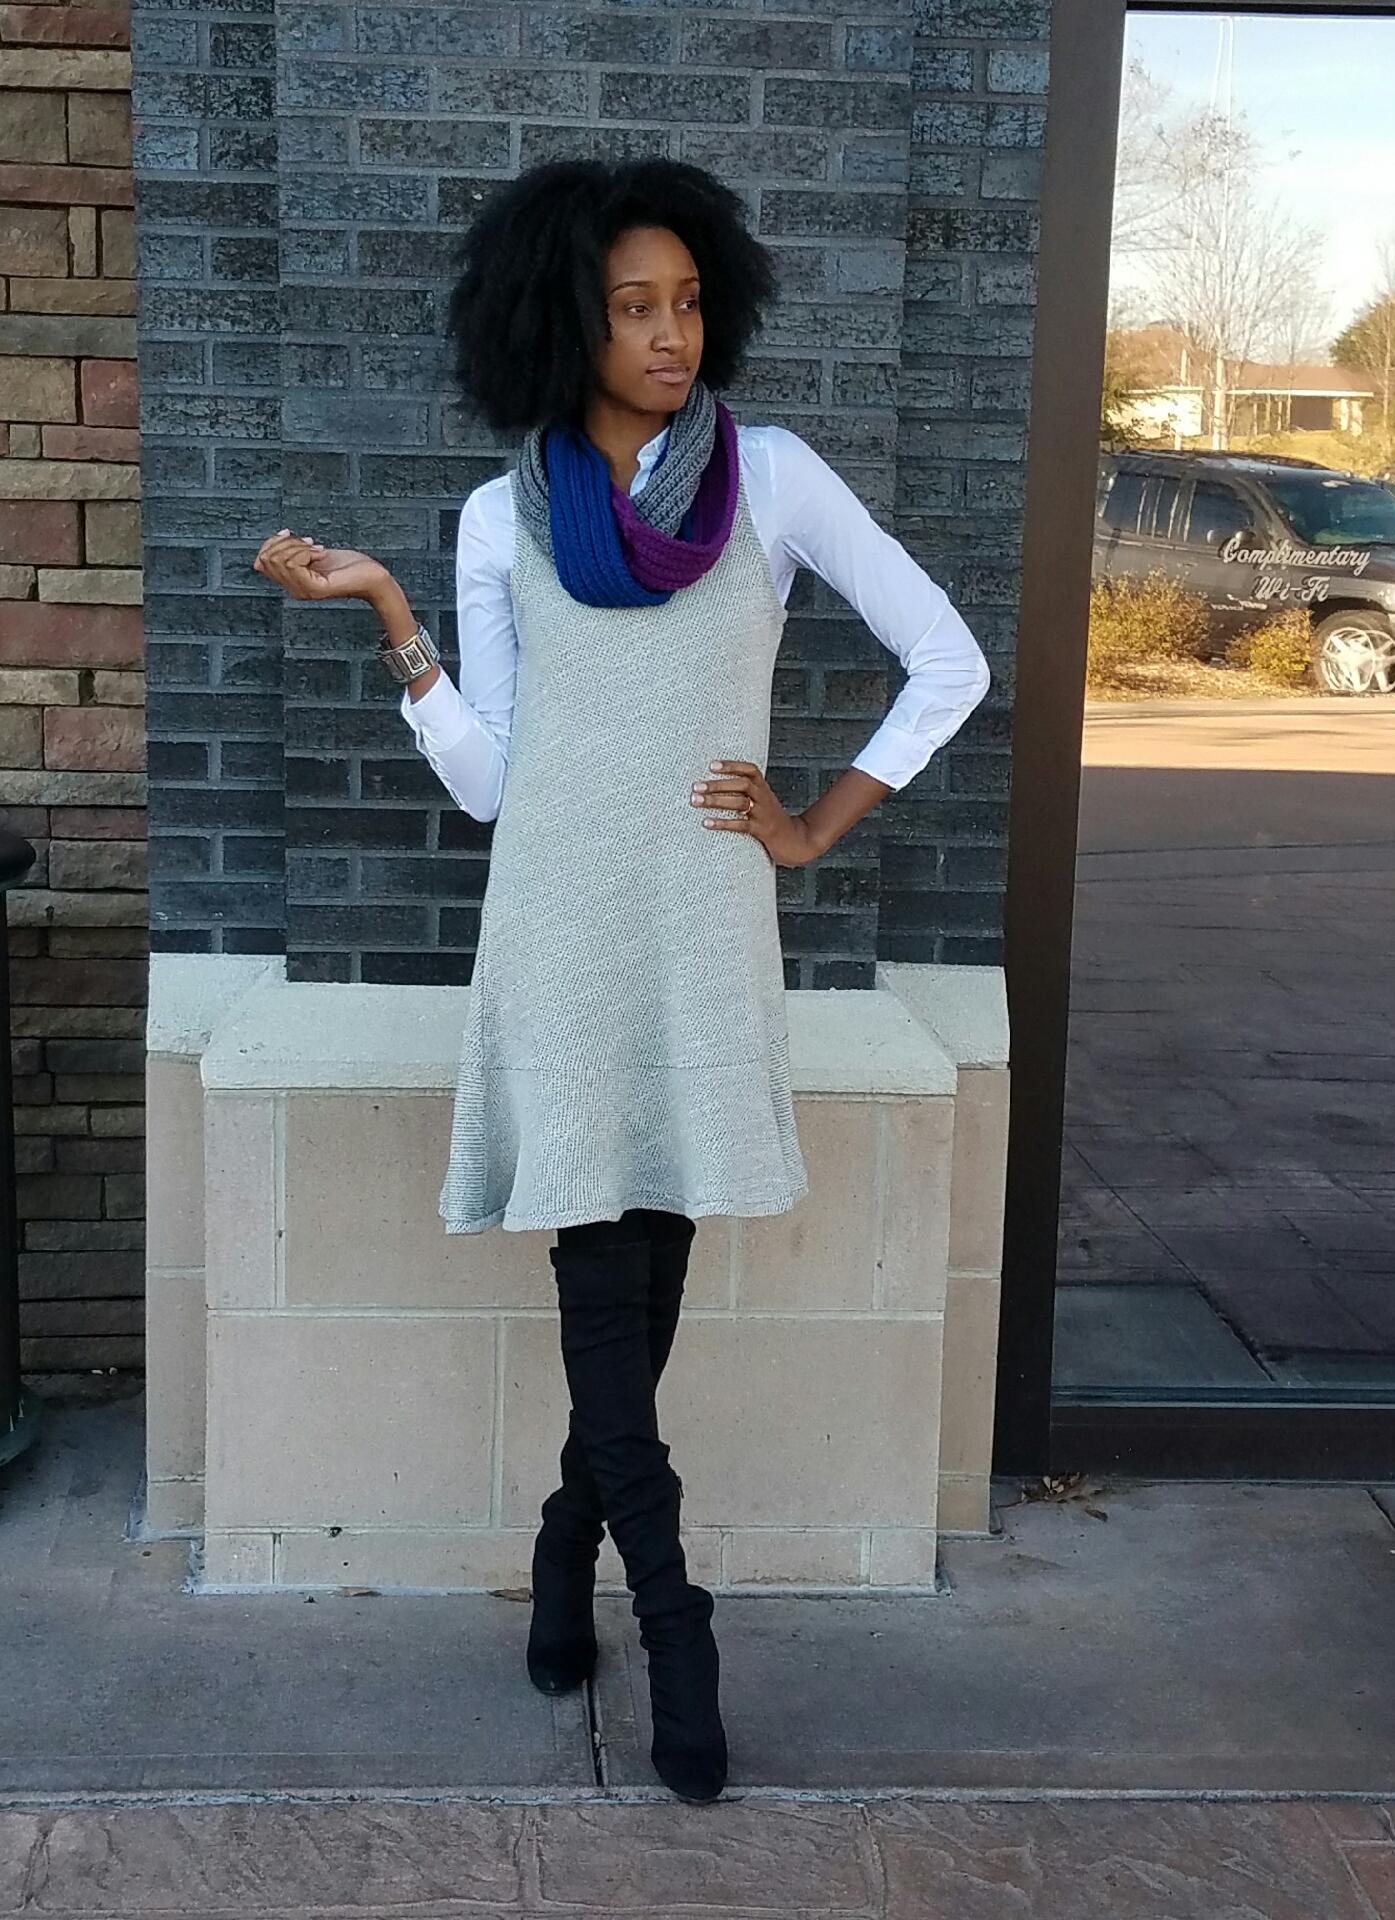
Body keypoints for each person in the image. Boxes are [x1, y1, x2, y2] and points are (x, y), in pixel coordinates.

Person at [253, 157, 991, 1805]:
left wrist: (814, 824)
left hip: (704, 926)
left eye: (688, 303)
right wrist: (389, 615)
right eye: (633, 308)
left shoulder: (772, 482)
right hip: (560, 930)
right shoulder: (496, 516)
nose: (671, 335)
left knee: (650, 1277)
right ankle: (675, 1617)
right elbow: (496, 784)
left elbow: (948, 656)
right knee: (602, 1277)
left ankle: (561, 1541)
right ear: (562, 324)